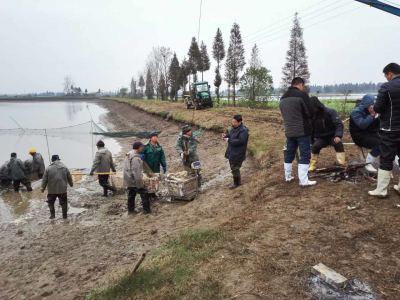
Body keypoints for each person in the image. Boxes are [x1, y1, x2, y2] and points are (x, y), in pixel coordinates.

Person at [369, 63, 400, 197]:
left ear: (390, 74)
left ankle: (381, 190)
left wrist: (375, 107)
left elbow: (379, 108)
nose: (386, 78)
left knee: (386, 158)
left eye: (386, 76)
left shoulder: (386, 87)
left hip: (390, 128)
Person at [279, 77, 316, 186]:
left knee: (289, 153)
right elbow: (311, 112)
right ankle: (303, 180)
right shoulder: (302, 95)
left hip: (289, 131)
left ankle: (288, 176)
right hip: (302, 130)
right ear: (300, 85)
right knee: (305, 154)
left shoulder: (282, 98)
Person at [309, 96, 345, 171]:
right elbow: (311, 130)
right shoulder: (312, 115)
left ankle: (341, 164)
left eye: (313, 107)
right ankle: (312, 165)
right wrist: (311, 142)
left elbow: (339, 125)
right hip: (320, 137)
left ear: (317, 106)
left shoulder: (331, 112)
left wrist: (338, 136)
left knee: (338, 143)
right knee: (315, 146)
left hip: (333, 136)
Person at [350, 94, 380, 173]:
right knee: (378, 144)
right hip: (359, 136)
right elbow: (362, 125)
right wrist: (372, 115)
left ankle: (384, 165)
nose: (374, 106)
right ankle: (368, 163)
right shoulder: (356, 112)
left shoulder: (373, 111)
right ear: (367, 105)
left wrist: (377, 117)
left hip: (370, 134)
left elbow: (377, 126)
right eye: (372, 104)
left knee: (386, 142)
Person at [123, 141, 152, 214]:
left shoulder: (129, 154)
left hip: (128, 178)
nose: (142, 148)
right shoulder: (136, 158)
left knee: (131, 193)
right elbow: (136, 172)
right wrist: (140, 185)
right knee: (144, 192)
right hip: (133, 179)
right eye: (142, 147)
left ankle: (130, 210)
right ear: (139, 147)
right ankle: (147, 210)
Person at [41, 155, 73, 219]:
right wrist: (71, 184)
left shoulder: (48, 168)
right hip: (62, 189)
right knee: (64, 203)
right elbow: (69, 177)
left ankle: (52, 215)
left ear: (52, 160)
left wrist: (43, 188)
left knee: (51, 202)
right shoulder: (64, 167)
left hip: (52, 190)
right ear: (59, 159)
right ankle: (64, 216)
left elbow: (44, 179)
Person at [222, 115, 249, 189]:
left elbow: (240, 141)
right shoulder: (233, 128)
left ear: (240, 122)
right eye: (232, 121)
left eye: (235, 122)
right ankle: (238, 181)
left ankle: (236, 183)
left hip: (238, 153)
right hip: (232, 151)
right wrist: (226, 136)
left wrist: (229, 140)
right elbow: (231, 135)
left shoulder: (243, 131)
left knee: (235, 168)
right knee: (233, 167)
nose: (233, 123)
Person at [141, 130, 167, 199]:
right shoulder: (146, 146)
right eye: (154, 137)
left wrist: (164, 165)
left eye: (156, 137)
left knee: (155, 180)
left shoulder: (159, 147)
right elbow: (140, 152)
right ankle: (148, 194)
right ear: (150, 138)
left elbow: (162, 157)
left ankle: (153, 194)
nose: (155, 138)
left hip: (156, 166)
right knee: (148, 180)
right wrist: (141, 155)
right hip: (148, 167)